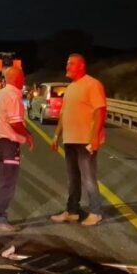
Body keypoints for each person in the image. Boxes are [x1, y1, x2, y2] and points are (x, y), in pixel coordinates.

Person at [50, 53, 108, 227]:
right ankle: (72, 211)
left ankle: (96, 212)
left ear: (81, 66)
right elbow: (63, 114)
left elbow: (100, 111)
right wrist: (56, 136)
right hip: (70, 140)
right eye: (67, 63)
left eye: (71, 64)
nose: (67, 67)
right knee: (73, 178)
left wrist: (94, 138)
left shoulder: (92, 84)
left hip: (86, 141)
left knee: (88, 178)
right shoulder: (70, 88)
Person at [0, 66, 34, 232]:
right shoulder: (13, 96)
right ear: (19, 79)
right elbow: (16, 123)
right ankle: (0, 218)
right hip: (7, 145)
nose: (24, 79)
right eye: (22, 77)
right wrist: (28, 136)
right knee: (6, 182)